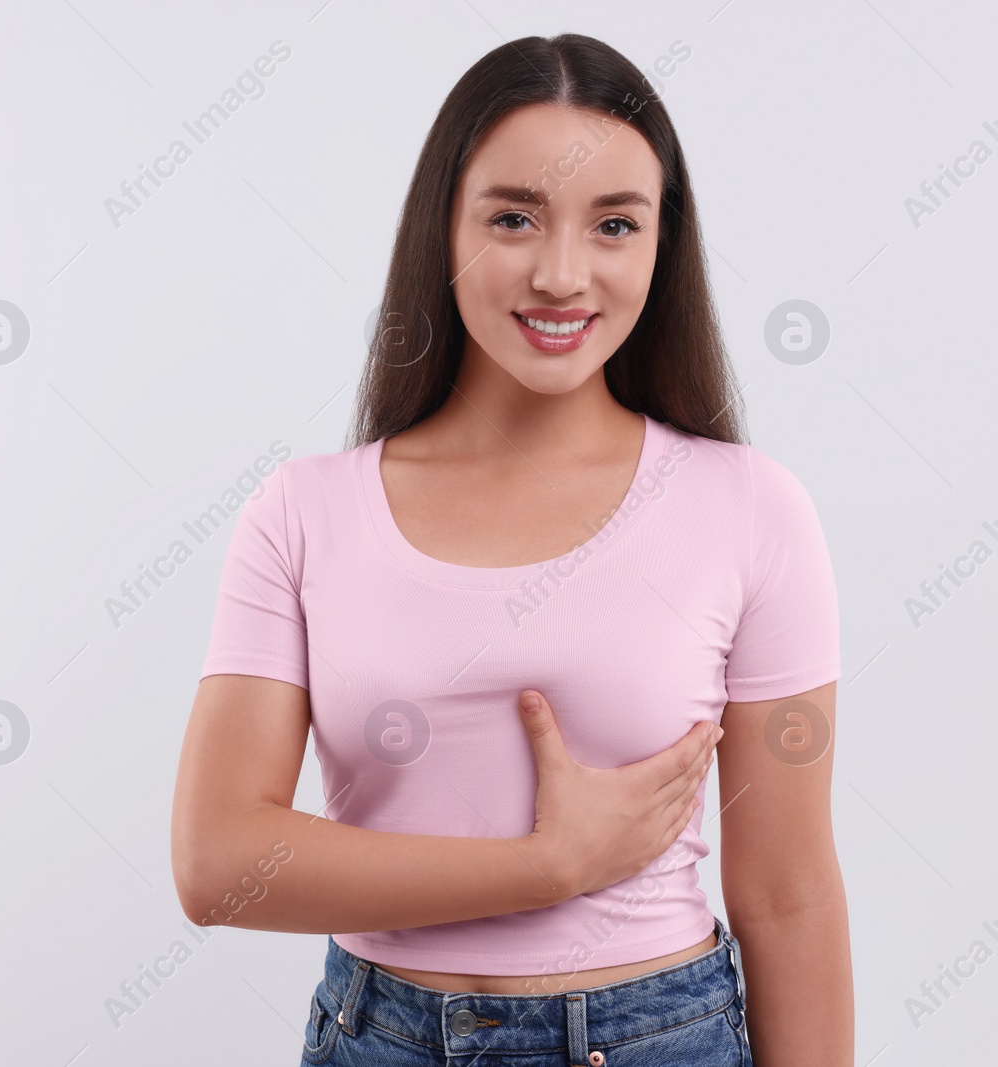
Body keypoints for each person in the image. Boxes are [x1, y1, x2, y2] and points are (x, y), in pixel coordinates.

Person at [170, 32, 852, 1066]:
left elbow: (788, 892)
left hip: (657, 1036)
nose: (560, 272)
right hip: (380, 1036)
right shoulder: (303, 511)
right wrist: (548, 865)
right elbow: (217, 862)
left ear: (663, 243)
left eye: (614, 223)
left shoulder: (751, 508)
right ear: (443, 226)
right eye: (513, 217)